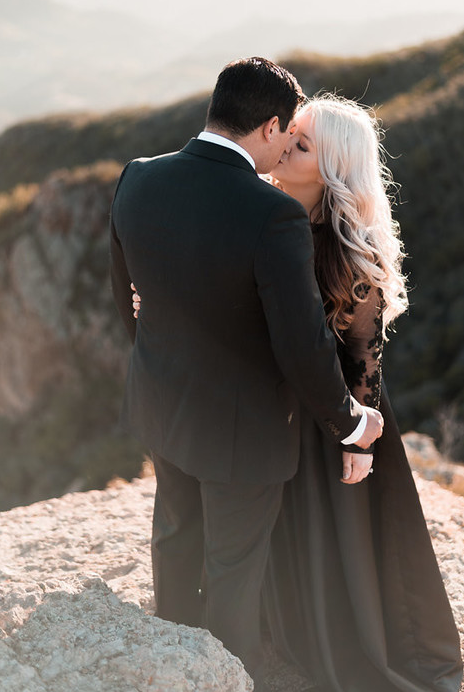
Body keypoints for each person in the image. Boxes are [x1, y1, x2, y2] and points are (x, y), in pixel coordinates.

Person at [130, 92, 464, 691]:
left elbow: (362, 355)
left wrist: (356, 440)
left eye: (301, 144)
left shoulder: (348, 251)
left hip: (328, 414)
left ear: (331, 169)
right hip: (263, 410)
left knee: (329, 544)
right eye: (288, 133)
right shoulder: (257, 210)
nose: (283, 143)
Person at [109, 58, 383, 691]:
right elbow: (300, 343)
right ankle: (226, 679)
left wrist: (163, 366)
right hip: (244, 428)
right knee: (233, 569)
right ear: (268, 126)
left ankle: (170, 665)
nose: (289, 147)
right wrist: (347, 422)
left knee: (175, 538)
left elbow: (126, 300)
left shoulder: (137, 178)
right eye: (288, 135)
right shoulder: (271, 214)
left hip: (163, 403)